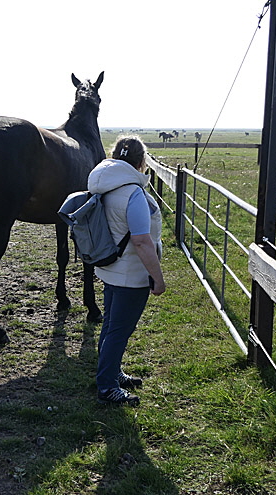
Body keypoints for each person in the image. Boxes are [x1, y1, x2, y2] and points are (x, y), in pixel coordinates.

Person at [87, 135, 166, 406]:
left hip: (111, 267)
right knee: (119, 330)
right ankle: (107, 387)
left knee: (111, 326)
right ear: (142, 161)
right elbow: (142, 241)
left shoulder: (106, 186)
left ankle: (110, 373)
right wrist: (157, 277)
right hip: (131, 274)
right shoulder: (132, 192)